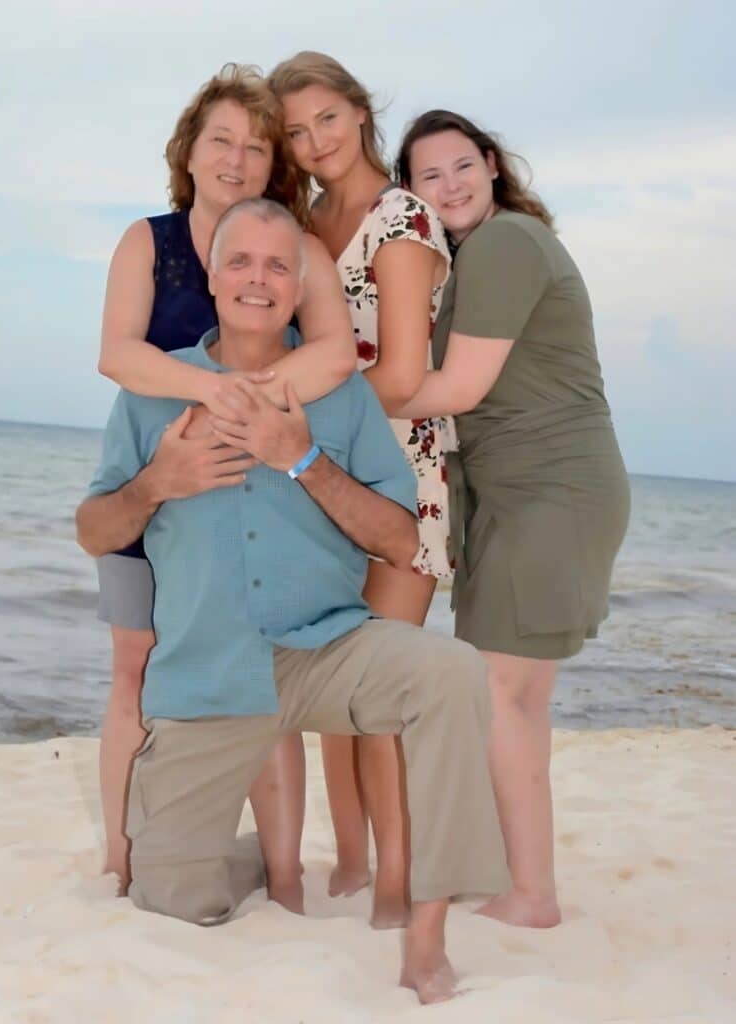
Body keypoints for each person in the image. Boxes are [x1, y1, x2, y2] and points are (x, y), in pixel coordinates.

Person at [77, 198, 507, 1005]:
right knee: (171, 901)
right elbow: (93, 530)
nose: (257, 279)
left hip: (326, 653)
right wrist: (157, 484)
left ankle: (425, 937)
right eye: (240, 261)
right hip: (208, 672)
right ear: (211, 275)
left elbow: (398, 537)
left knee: (448, 672)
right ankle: (222, 855)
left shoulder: (337, 394)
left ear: (300, 284)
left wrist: (300, 456)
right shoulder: (149, 393)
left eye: (278, 265)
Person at [93, 64, 357, 903]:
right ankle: (121, 856)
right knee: (134, 666)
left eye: (255, 146)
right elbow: (118, 355)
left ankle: (284, 878)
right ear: (190, 149)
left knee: (262, 675)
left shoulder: (296, 247)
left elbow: (333, 352)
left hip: (259, 498)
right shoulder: (150, 241)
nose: (237, 159)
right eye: (220, 141)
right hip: (159, 478)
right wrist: (215, 391)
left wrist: (259, 401)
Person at [394, 111, 631, 928]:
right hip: (524, 494)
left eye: (463, 165)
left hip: (548, 493)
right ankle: (518, 882)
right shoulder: (477, 257)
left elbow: (455, 391)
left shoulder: (503, 244)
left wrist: (336, 399)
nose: (451, 184)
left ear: (492, 166)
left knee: (500, 695)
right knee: (512, 698)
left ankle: (530, 896)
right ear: (411, 193)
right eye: (430, 175)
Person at [268, 52, 453, 928]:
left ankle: (397, 882)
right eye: (296, 132)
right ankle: (349, 861)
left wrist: (293, 410)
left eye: (326, 120)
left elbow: (408, 374)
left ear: (359, 111)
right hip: (320, 477)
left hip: (398, 474)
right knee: (334, 689)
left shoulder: (400, 217)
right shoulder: (304, 220)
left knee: (379, 691)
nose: (313, 143)